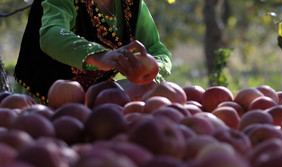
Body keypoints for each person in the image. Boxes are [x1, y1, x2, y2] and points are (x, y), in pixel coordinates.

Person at [13, 0, 172, 104]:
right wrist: (99, 55)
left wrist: (152, 74)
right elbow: (51, 35)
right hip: (37, 104)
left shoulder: (132, 5)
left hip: (90, 108)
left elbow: (157, 50)